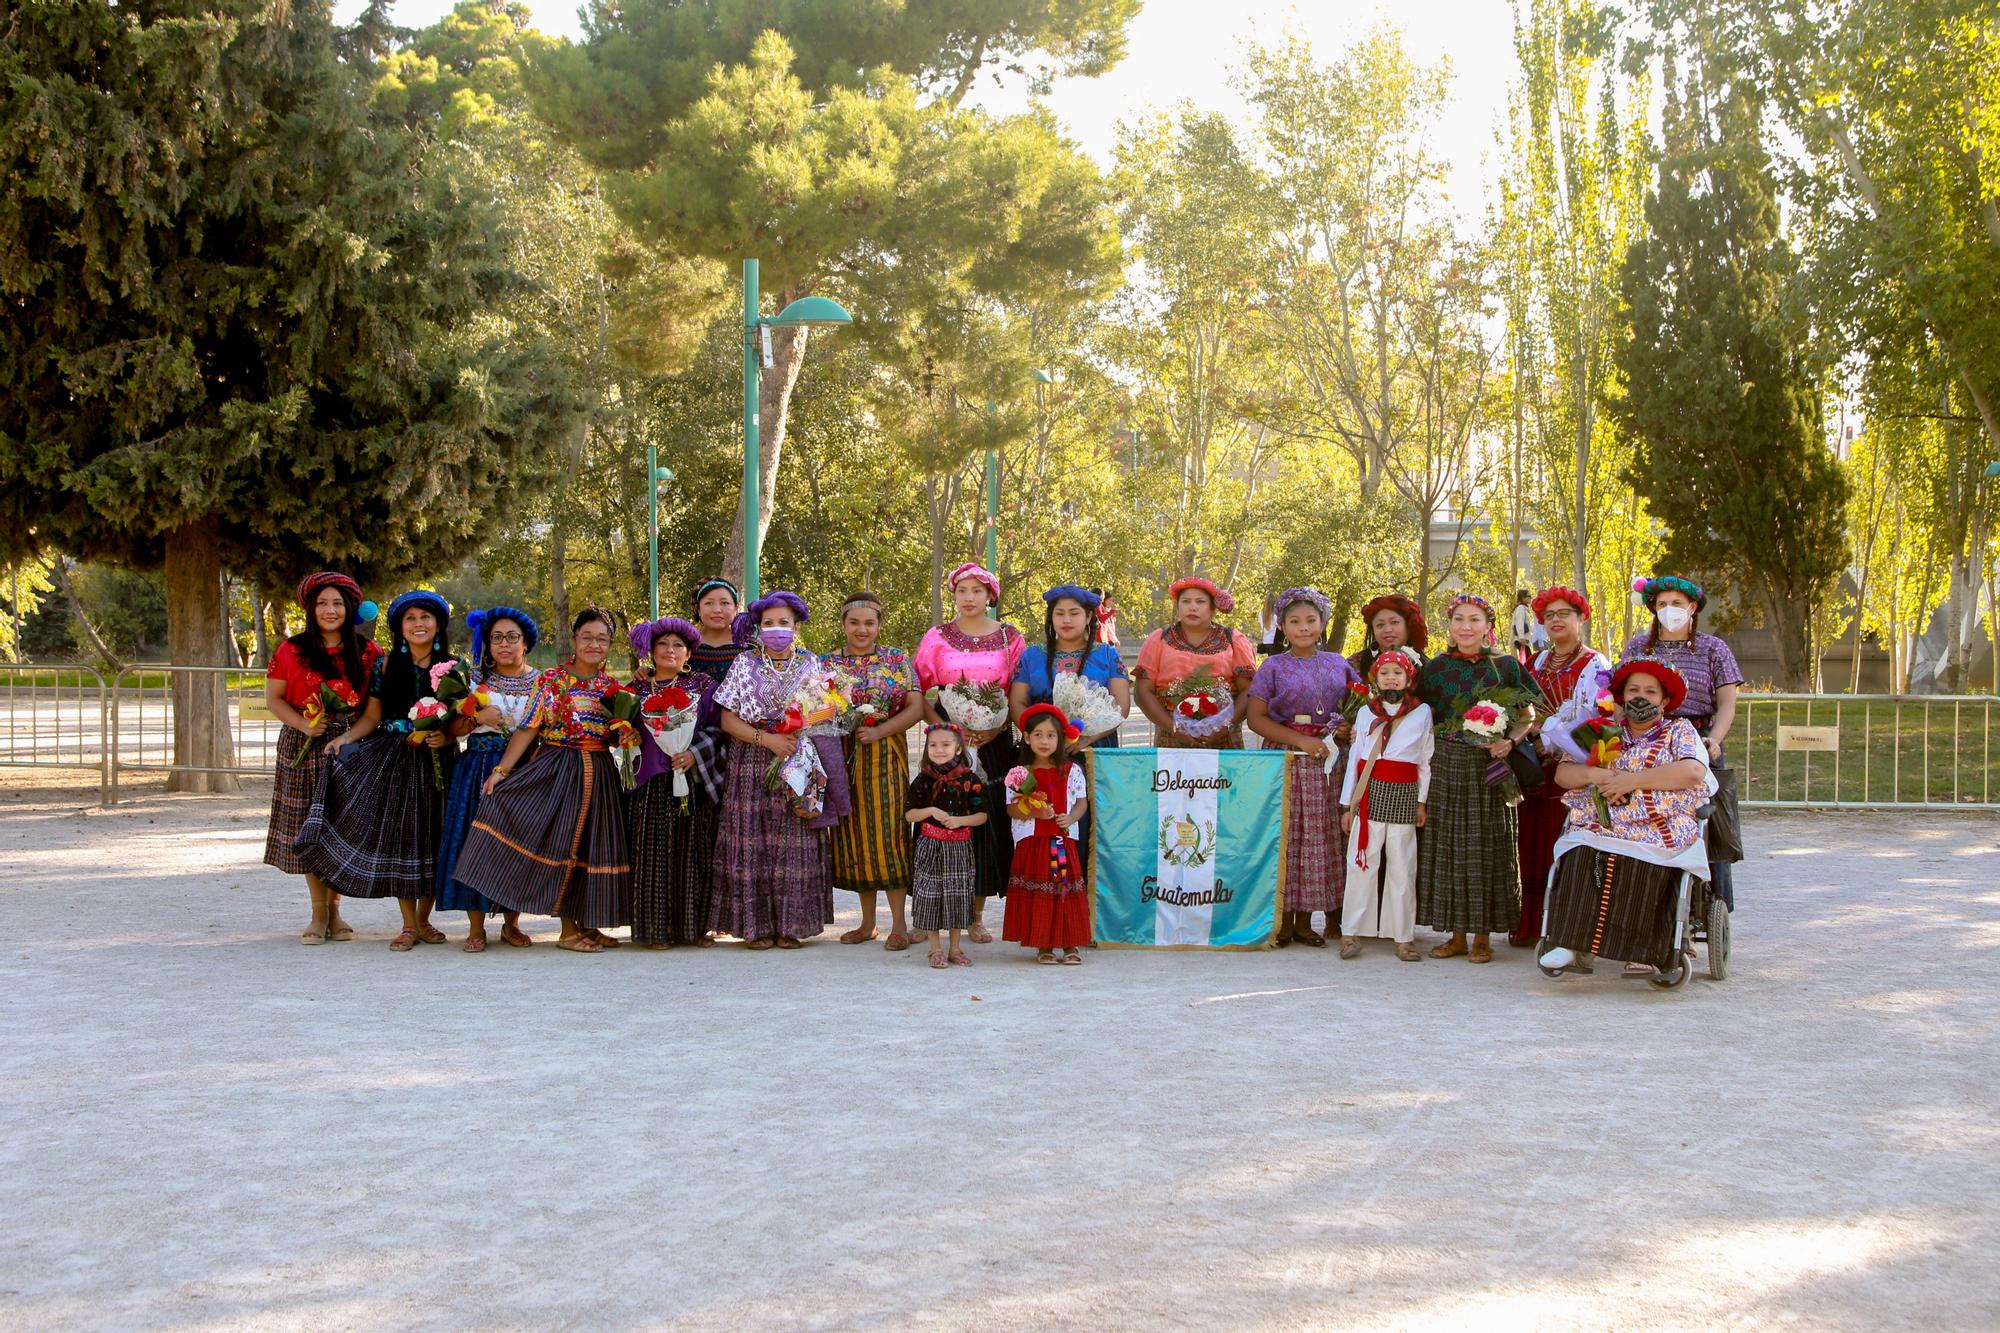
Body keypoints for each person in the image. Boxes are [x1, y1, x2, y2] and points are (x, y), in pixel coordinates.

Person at [453, 608, 635, 953]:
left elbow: (613, 735)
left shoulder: (611, 687)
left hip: (600, 773)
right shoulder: (551, 680)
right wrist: (501, 771)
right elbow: (529, 728)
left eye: (602, 639)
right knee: (564, 845)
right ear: (575, 640)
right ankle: (567, 932)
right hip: (559, 770)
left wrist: (623, 736)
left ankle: (589, 925)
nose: (594, 644)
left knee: (593, 847)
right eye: (587, 637)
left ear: (610, 644)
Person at [293, 589, 457, 951]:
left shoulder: (455, 668)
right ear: (400, 626)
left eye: (425, 618)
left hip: (437, 760)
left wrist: (444, 738)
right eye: (410, 619)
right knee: (402, 837)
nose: (418, 624)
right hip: (394, 759)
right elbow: (372, 716)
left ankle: (426, 920)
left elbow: (462, 720)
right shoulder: (386, 666)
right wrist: (345, 739)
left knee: (432, 835)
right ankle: (408, 924)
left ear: (438, 624)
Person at [1539, 657, 1715, 976]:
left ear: (1664, 700)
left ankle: (1646, 952)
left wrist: (1632, 780)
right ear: (1621, 695)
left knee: (1645, 861)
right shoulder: (1602, 730)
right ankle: (1568, 941)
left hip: (1659, 825)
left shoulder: (1679, 730)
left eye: (1650, 691)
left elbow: (1692, 771)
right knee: (1579, 849)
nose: (1640, 696)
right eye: (1633, 689)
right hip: (1605, 822)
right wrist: (1597, 775)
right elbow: (1563, 774)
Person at [711, 590, 837, 949]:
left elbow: (825, 711)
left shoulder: (812, 664)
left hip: (797, 756)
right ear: (758, 628)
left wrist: (797, 733)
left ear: (796, 626)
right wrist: (766, 741)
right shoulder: (744, 664)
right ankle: (756, 927)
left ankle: (791, 925)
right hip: (752, 758)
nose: (776, 629)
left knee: (795, 838)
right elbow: (727, 718)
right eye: (769, 624)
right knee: (753, 840)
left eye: (784, 623)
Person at [1414, 592, 1535, 964]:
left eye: (1475, 619)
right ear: (1448, 626)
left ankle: (1483, 937)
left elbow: (1529, 713)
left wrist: (1509, 742)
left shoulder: (1505, 667)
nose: (1466, 626)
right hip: (1446, 764)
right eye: (1459, 619)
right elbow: (1418, 714)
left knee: (1485, 847)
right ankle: (1456, 936)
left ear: (1489, 626)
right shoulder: (1434, 668)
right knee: (1450, 848)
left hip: (1489, 764)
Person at [263, 572, 382, 944]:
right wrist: (304, 725)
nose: (330, 610)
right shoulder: (290, 649)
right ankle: (318, 913)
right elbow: (274, 699)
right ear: (310, 609)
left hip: (351, 743)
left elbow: (374, 709)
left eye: (337, 603)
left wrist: (346, 734)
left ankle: (335, 910)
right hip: (305, 741)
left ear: (350, 608)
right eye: (322, 603)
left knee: (340, 827)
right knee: (309, 828)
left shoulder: (369, 652)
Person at [1244, 586, 1362, 947]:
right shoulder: (1272, 667)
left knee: (1321, 839)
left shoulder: (1340, 664)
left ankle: (1311, 921)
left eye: (1311, 620)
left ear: (1323, 623)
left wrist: (1345, 728)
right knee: (1288, 837)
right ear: (1281, 626)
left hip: (1328, 762)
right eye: (1294, 621)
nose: (1304, 628)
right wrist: (1301, 741)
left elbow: (1361, 709)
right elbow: (1255, 719)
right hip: (1286, 759)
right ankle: (1283, 921)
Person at [914, 562, 1025, 943]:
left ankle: (975, 916)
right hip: (946, 741)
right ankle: (928, 916)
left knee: (984, 819)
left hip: (995, 740)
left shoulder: (1011, 638)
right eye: (962, 590)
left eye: (977, 591)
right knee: (939, 817)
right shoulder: (936, 636)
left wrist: (993, 727)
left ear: (990, 595)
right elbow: (919, 689)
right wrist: (942, 730)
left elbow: (1018, 692)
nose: (969, 598)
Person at [1622, 575, 1744, 910]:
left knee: (1705, 826)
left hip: (1697, 742)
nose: (1669, 610)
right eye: (1662, 604)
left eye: (1676, 604)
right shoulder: (1636, 648)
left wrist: (1713, 741)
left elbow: (1727, 704)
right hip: (1645, 740)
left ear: (1692, 608)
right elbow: (1621, 699)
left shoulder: (1714, 649)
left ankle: (1705, 907)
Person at [433, 607, 540, 952]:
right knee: (470, 841)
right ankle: (475, 927)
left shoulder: (540, 681)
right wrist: (476, 715)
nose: (504, 644)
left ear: (526, 644)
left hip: (522, 770)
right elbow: (450, 729)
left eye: (512, 638)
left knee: (516, 845)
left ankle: (512, 922)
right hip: (477, 767)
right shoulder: (472, 678)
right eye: (497, 638)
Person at [824, 592, 925, 949]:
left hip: (885, 755)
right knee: (856, 836)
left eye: (869, 623)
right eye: (854, 622)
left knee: (891, 834)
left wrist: (880, 730)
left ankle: (899, 924)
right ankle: (867, 924)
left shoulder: (896, 658)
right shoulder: (827, 663)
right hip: (843, 756)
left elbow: (917, 706)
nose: (861, 629)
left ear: (879, 625)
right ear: (843, 625)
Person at [1513, 586, 1612, 948]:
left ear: (1580, 618)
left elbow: (1593, 716)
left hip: (1571, 767)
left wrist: (1554, 740)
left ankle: (1562, 926)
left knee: (1562, 843)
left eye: (1564, 614)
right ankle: (1528, 924)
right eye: (1549, 615)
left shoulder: (1595, 664)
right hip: (1533, 767)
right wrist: (1528, 735)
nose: (1556, 621)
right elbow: (1520, 706)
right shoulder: (1537, 663)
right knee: (1529, 842)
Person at [626, 615, 726, 949]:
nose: (671, 650)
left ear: (688, 653)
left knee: (694, 853)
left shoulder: (702, 685)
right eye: (663, 644)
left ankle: (694, 929)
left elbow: (718, 728)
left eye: (678, 645)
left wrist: (695, 754)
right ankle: (657, 931)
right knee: (653, 856)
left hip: (691, 780)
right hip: (651, 781)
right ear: (651, 651)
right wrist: (626, 736)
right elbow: (620, 728)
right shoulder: (635, 689)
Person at [1338, 648, 1433, 960]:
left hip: (1404, 793)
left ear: (1408, 678)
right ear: (1375, 678)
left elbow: (1424, 759)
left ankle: (1403, 937)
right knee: (1361, 862)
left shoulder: (1422, 712)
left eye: (1397, 673)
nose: (1391, 679)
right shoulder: (1365, 712)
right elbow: (1355, 758)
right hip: (1369, 793)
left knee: (1403, 867)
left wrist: (1421, 800)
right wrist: (1347, 805)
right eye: (1384, 673)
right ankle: (1350, 932)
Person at [1001, 704, 1092, 965]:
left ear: (1061, 738)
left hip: (1059, 843)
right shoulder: (1019, 774)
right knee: (1040, 891)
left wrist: (1071, 818)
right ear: (1027, 738)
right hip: (1032, 844)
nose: (1044, 741)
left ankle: (1070, 942)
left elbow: (1081, 803)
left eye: (1051, 735)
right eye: (1038, 735)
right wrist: (1033, 812)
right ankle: (1044, 944)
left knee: (1061, 887)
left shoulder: (1071, 771)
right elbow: (1011, 808)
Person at [1133, 576, 1256, 748]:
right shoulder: (1158, 639)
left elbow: (1248, 691)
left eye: (1200, 602)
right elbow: (1142, 692)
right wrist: (1175, 728)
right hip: (1171, 734)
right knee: (1173, 776)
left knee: (1224, 776)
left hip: (1223, 735)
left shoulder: (1233, 640)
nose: (1192, 607)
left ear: (1213, 608)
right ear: (1178, 607)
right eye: (1186, 601)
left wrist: (1224, 726)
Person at [905, 724, 987, 968]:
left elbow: (981, 815)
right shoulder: (923, 780)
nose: (939, 750)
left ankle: (955, 948)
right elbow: (910, 815)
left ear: (958, 748)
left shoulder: (970, 780)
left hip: (959, 848)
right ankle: (935, 948)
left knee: (957, 896)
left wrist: (959, 821)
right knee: (930, 895)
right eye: (933, 745)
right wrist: (930, 810)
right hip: (930, 844)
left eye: (945, 744)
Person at [1010, 584, 1131, 748]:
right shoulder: (1032, 656)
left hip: (1096, 746)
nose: (1066, 620)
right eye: (1059, 613)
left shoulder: (1108, 655)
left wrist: (1088, 739)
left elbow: (1121, 706)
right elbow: (1017, 702)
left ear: (1088, 617)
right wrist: (1039, 736)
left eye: (1074, 613)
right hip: (1041, 749)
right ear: (1051, 617)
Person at [1348, 593, 1430, 680]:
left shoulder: (1428, 670)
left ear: (1408, 625)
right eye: (1380, 625)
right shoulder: (1354, 665)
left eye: (1394, 622)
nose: (1387, 630)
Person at [687, 577, 750, 684]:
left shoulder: (750, 648)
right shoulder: (684, 646)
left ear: (736, 608)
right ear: (698, 609)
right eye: (709, 603)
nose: (717, 610)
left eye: (725, 603)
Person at [1510, 589, 1535, 665]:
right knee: (1528, 661)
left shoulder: (1523, 608)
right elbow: (1519, 623)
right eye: (1529, 596)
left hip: (1523, 639)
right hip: (1520, 639)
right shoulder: (1521, 608)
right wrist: (1521, 637)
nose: (1530, 598)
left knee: (1527, 661)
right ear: (1523, 598)